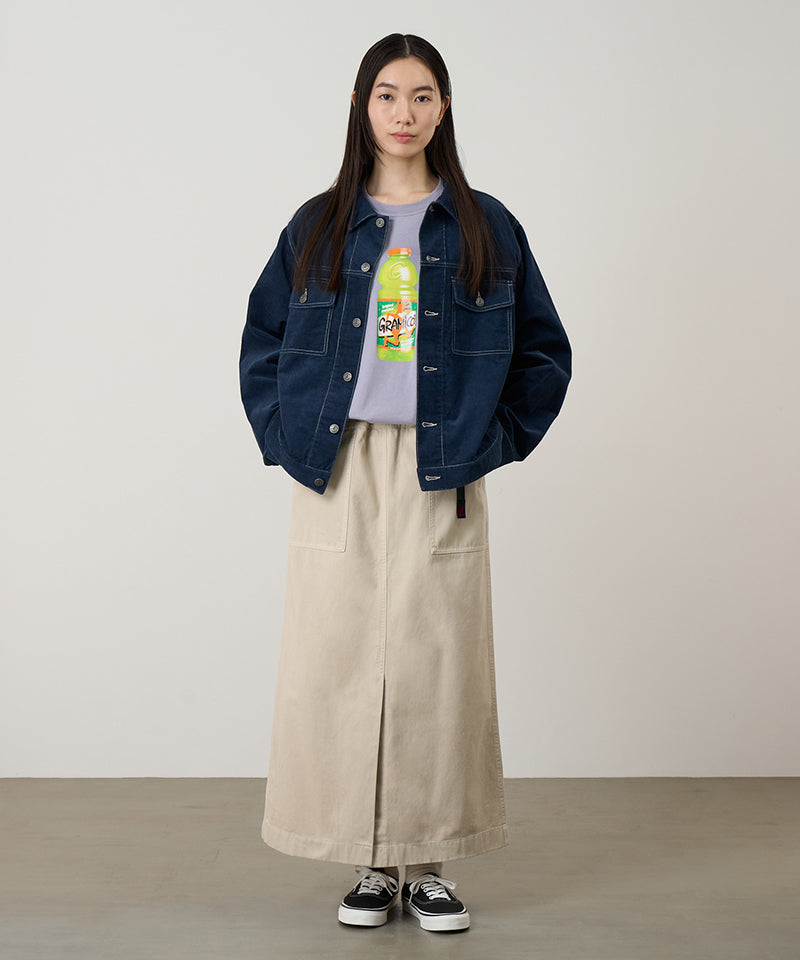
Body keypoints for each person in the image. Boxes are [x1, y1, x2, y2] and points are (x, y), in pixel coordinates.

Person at [239, 33, 571, 934]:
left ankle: (428, 864)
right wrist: (286, 439)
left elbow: (544, 353)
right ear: (362, 107)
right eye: (388, 95)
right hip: (338, 466)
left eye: (422, 96)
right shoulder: (318, 225)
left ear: (444, 109)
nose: (404, 113)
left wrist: (489, 441)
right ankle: (367, 862)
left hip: (441, 469)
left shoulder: (484, 226)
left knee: (438, 665)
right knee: (338, 662)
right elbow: (264, 342)